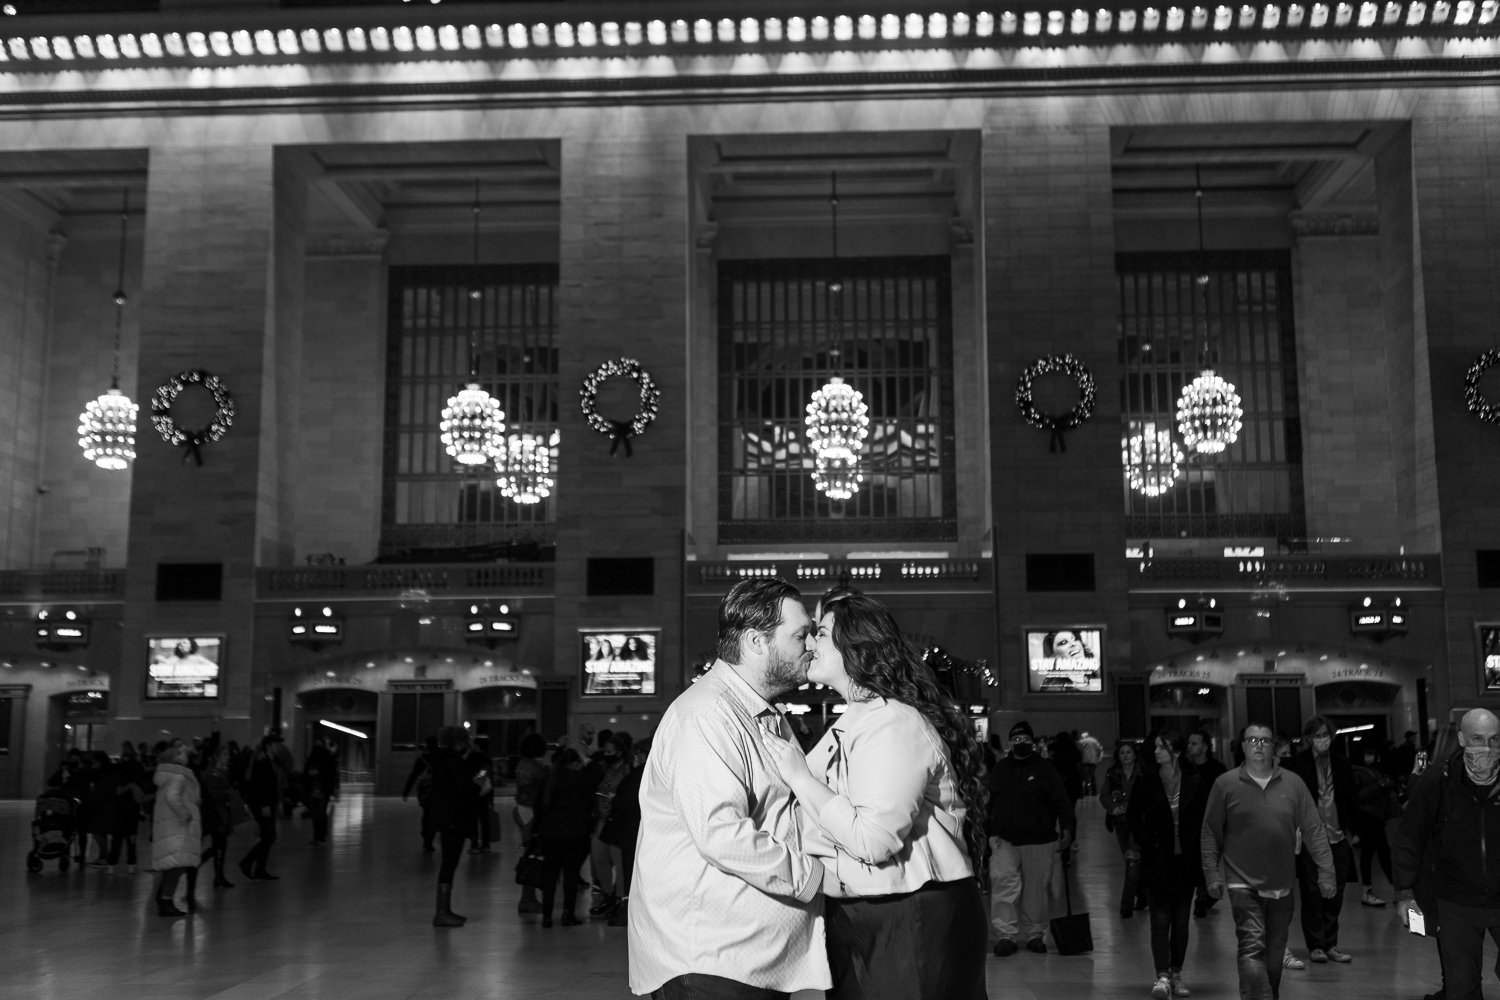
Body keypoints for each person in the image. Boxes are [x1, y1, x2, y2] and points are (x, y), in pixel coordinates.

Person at [760, 588, 989, 999]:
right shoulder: (863, 718)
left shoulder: (892, 723)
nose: (810, 644)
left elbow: (874, 839)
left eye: (823, 634)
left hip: (909, 912)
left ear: (857, 648)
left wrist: (800, 778)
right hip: (873, 910)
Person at [628, 577, 828, 999]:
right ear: (756, 641)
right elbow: (722, 835)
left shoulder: (759, 711)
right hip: (712, 962)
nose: (812, 644)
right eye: (800, 634)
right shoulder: (706, 714)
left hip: (749, 961)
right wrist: (816, 876)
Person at [1201, 722, 1337, 1000]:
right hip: (1242, 883)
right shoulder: (1225, 784)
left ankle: (1268, 994)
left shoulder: (1292, 783)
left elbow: (1313, 829)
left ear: (1274, 746)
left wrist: (1327, 872)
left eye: (1264, 741)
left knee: (1275, 952)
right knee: (1251, 947)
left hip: (1282, 883)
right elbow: (1210, 831)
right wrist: (1211, 875)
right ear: (1243, 746)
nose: (1258, 745)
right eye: (1252, 740)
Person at [1394, 708, 1500, 1000]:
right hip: (1455, 901)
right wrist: (1405, 892)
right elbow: (1409, 837)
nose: (1487, 748)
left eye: (1494, 739)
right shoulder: (1437, 780)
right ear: (1462, 739)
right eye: (1478, 738)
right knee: (1461, 987)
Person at [988, 719, 1076, 957]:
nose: (1021, 744)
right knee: (1004, 885)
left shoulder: (1045, 769)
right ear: (1010, 743)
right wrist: (989, 832)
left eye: (1025, 740)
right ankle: (1005, 935)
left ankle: (1034, 934)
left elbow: (1061, 801)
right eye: (1016, 740)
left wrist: (1068, 828)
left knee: (1035, 890)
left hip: (1040, 840)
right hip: (1005, 840)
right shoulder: (1001, 769)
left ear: (1033, 742)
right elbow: (989, 802)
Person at [1128, 730, 1202, 1000]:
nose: (1157, 751)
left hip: (1186, 860)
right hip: (1156, 859)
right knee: (1160, 919)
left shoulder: (1194, 780)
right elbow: (1132, 814)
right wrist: (1145, 838)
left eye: (1163, 747)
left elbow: (1204, 817)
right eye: (1156, 746)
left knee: (1181, 921)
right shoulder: (1146, 781)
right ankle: (1161, 975)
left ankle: (1176, 972)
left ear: (1177, 751)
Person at [1285, 715, 1357, 964]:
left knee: (1336, 892)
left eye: (1326, 735)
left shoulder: (1341, 763)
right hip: (1310, 837)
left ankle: (1332, 943)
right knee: (1313, 892)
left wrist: (1351, 828)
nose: (1323, 740)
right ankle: (1316, 944)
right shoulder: (1298, 764)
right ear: (1309, 738)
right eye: (1318, 735)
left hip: (1337, 834)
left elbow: (1350, 795)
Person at [532, 745, 601, 928]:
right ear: (575, 763)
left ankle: (547, 916)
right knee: (571, 875)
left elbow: (538, 807)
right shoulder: (579, 780)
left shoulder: (548, 780)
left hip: (549, 834)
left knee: (550, 875)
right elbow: (597, 777)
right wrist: (588, 760)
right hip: (574, 834)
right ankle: (567, 914)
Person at [427, 725, 478, 928]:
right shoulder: (455, 762)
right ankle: (441, 912)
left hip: (443, 817)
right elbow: (465, 789)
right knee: (450, 862)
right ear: (459, 743)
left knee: (449, 862)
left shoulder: (439, 760)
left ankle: (444, 910)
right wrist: (478, 784)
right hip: (454, 819)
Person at [151, 743, 202, 916]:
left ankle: (165, 899)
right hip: (178, 828)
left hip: (168, 827)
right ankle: (166, 901)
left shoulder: (166, 776)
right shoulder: (178, 777)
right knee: (177, 867)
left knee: (172, 865)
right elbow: (173, 797)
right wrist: (185, 813)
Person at [603, 737, 649, 928]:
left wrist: (614, 800)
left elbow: (625, 801)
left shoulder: (639, 774)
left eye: (638, 754)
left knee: (630, 873)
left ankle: (630, 912)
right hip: (642, 832)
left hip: (631, 832)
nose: (635, 757)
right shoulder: (653, 773)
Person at [588, 731, 634, 915]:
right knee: (599, 859)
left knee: (620, 863)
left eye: (610, 751)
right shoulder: (603, 769)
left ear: (620, 752)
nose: (607, 755)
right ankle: (607, 895)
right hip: (601, 820)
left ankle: (621, 899)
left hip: (619, 822)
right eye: (605, 751)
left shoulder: (628, 771)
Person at [1183, 728, 1226, 918]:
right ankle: (1202, 897)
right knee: (1194, 862)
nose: (1190, 747)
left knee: (1208, 861)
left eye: (1194, 743)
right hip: (1189, 824)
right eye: (1189, 743)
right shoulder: (1184, 769)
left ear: (1205, 747)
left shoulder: (1217, 770)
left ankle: (1205, 896)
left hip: (1211, 823)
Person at [1101, 739, 1146, 918]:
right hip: (1121, 823)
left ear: (1135, 755)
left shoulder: (1143, 774)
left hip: (1139, 823)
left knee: (1132, 859)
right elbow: (1104, 795)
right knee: (1131, 861)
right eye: (1122, 753)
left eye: (1129, 752)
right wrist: (1113, 807)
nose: (1125, 755)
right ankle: (1142, 895)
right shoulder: (1112, 774)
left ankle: (1126, 905)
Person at [1351, 747, 1396, 907]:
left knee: (1379, 852)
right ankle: (1371, 891)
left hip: (1375, 816)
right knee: (1375, 852)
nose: (1370, 756)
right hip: (1367, 816)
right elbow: (1356, 796)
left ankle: (1374, 890)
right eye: (1367, 753)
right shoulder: (1358, 772)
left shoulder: (1374, 771)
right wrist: (1379, 786)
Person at [512, 731, 550, 914]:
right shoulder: (536, 767)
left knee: (529, 853)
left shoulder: (522, 764)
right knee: (532, 855)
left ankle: (528, 898)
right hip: (530, 811)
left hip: (521, 809)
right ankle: (527, 898)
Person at [238, 733, 282, 881]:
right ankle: (247, 862)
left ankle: (260, 870)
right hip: (262, 804)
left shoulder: (269, 760)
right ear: (269, 745)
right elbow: (259, 785)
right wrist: (264, 804)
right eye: (276, 744)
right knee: (269, 836)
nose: (279, 747)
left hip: (267, 804)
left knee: (267, 836)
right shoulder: (262, 761)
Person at [402, 735, 439, 851]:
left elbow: (414, 774)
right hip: (439, 791)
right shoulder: (441, 757)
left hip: (425, 790)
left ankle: (426, 840)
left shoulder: (423, 758)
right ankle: (431, 839)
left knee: (426, 815)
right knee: (435, 815)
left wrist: (406, 791)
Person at [303, 738, 340, 846]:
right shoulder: (327, 759)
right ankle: (321, 837)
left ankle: (318, 837)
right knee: (321, 814)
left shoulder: (312, 759)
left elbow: (306, 774)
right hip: (323, 791)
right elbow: (332, 775)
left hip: (316, 791)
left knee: (317, 815)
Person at [1078, 730, 1104, 796]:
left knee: (1086, 776)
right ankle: (1094, 791)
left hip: (1085, 761)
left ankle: (1086, 791)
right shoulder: (1094, 741)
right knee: (1092, 776)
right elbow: (1099, 749)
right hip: (1093, 761)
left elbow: (1079, 750)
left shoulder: (1082, 742)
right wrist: (1098, 758)